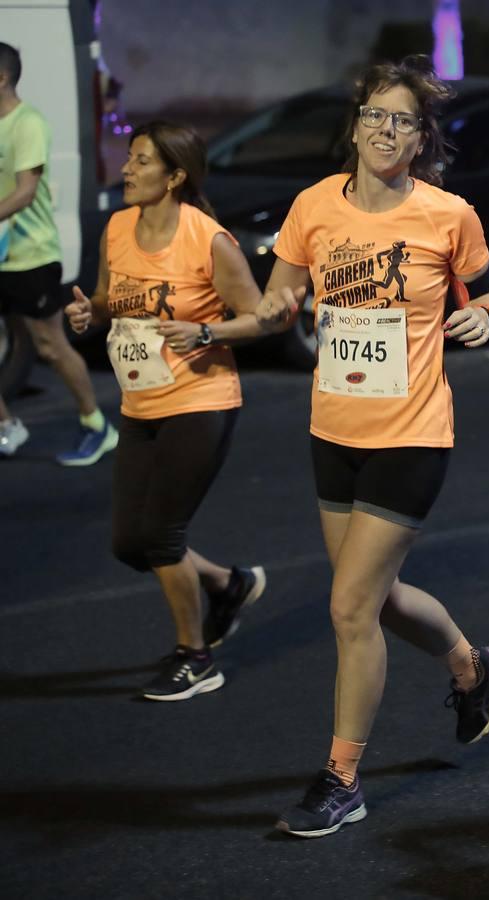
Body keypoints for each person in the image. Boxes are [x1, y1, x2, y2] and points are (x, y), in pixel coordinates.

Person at [259, 56, 489, 839]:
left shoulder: (448, 214)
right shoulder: (312, 207)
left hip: (412, 431)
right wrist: (247, 310)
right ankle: (475, 666)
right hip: (333, 430)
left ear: (420, 138)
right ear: (358, 123)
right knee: (373, 596)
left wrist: (487, 317)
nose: (386, 129)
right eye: (376, 114)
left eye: (403, 120)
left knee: (348, 607)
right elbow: (278, 298)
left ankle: (341, 779)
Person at [63, 122, 271, 698]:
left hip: (200, 399)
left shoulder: (209, 240)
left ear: (175, 176)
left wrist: (204, 330)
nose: (126, 170)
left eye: (141, 162)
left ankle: (195, 656)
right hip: (140, 399)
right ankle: (226, 585)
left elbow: (259, 317)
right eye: (128, 159)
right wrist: (91, 314)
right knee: (129, 544)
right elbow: (111, 299)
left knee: (160, 536)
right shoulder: (118, 226)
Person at [0, 41, 116, 463]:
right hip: (0, 252)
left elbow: (26, 192)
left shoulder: (27, 123)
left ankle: (96, 425)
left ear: (2, 78)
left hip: (31, 254)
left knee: (49, 345)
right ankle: (7, 427)